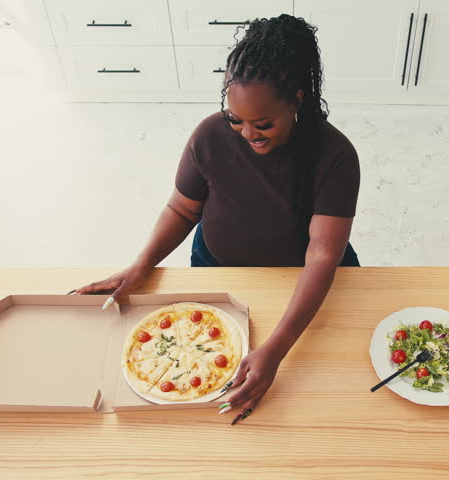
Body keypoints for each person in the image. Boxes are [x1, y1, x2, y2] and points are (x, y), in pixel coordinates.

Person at [76, 14, 360, 424]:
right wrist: (140, 266)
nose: (247, 134)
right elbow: (182, 208)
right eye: (235, 120)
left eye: (263, 124)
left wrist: (276, 350)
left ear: (298, 99)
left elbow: (321, 255)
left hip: (300, 281)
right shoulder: (209, 136)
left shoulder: (335, 156)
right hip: (220, 269)